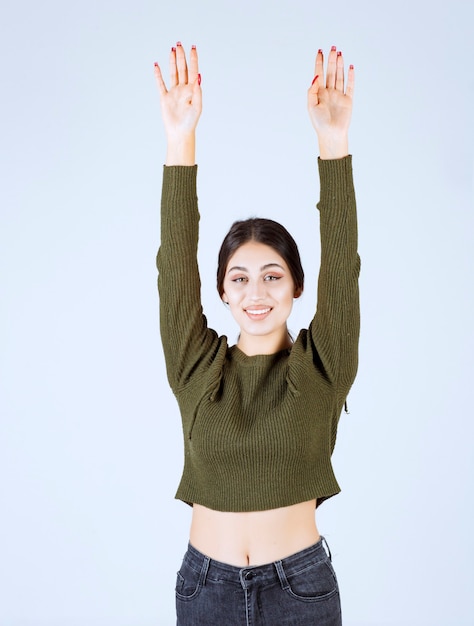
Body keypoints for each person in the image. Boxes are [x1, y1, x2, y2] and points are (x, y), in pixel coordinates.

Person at [154, 42, 360, 626]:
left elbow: (343, 269)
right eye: (239, 278)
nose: (256, 292)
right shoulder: (197, 367)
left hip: (301, 591)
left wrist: (333, 142)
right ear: (223, 292)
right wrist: (180, 140)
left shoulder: (322, 368)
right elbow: (174, 269)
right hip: (205, 588)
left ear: (296, 286)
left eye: (273, 276)